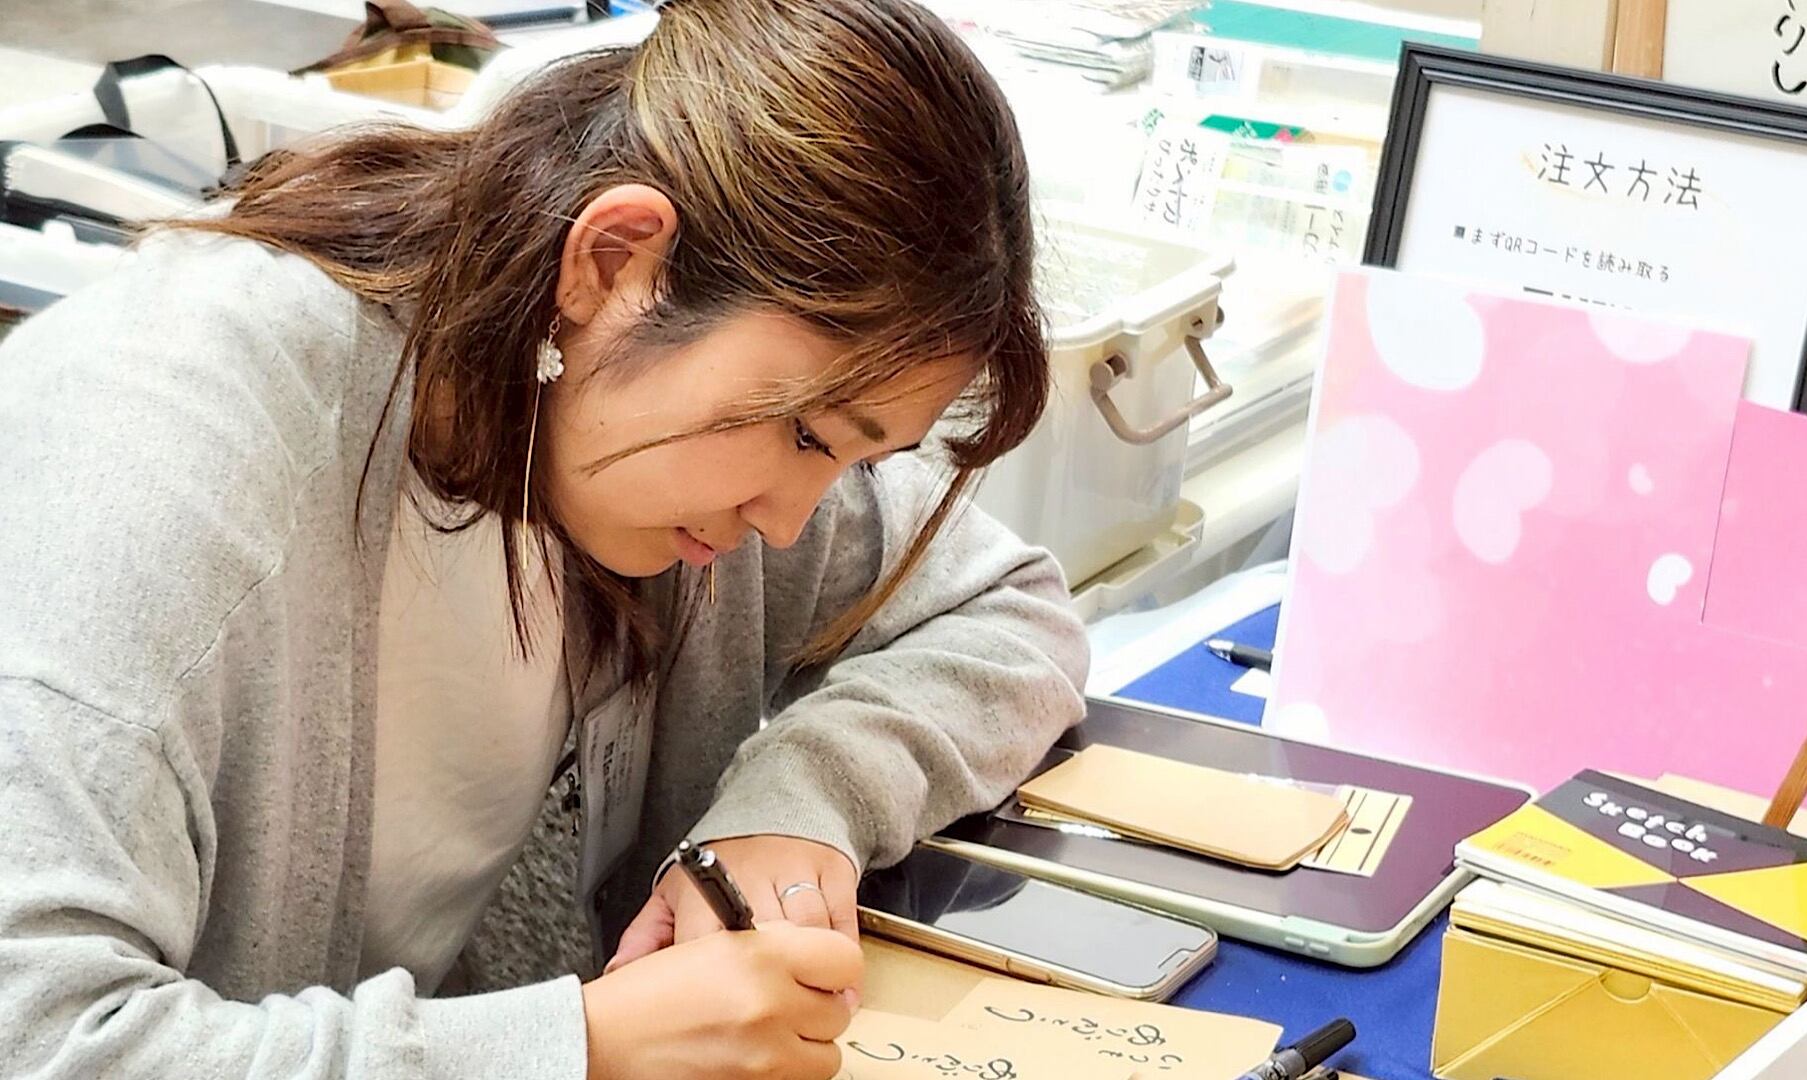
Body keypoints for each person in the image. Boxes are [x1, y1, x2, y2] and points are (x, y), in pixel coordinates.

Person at [0, 3, 1089, 1078]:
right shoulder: (160, 451)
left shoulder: (642, 411)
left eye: (850, 461)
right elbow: (37, 1038)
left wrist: (796, 808)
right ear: (613, 261)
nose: (790, 521)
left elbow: (1007, 613)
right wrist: (585, 1047)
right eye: (806, 435)